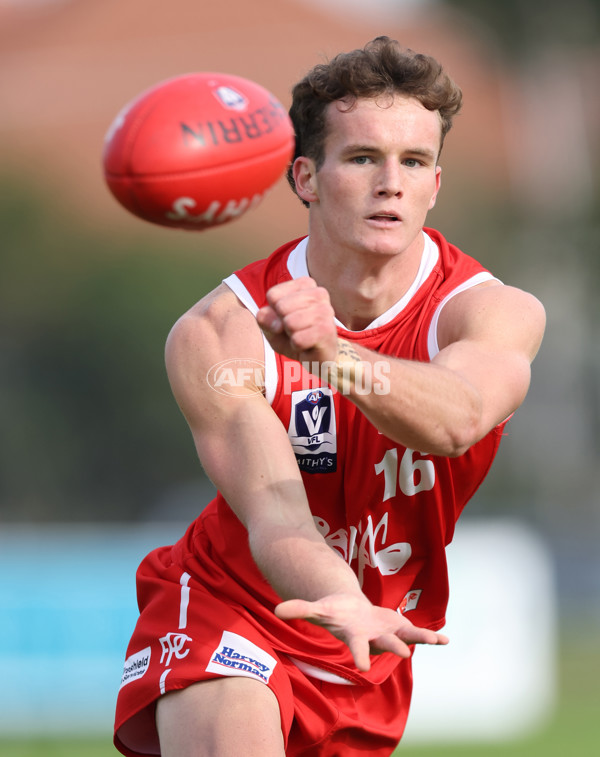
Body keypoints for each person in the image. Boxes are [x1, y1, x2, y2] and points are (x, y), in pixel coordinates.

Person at [114, 36, 545, 757]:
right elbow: (274, 509)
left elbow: (459, 418)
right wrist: (339, 593)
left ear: (435, 185)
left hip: (368, 639)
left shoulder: (489, 312)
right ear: (306, 177)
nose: (391, 183)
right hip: (238, 601)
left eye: (413, 162)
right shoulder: (220, 331)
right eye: (362, 158)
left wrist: (335, 358)